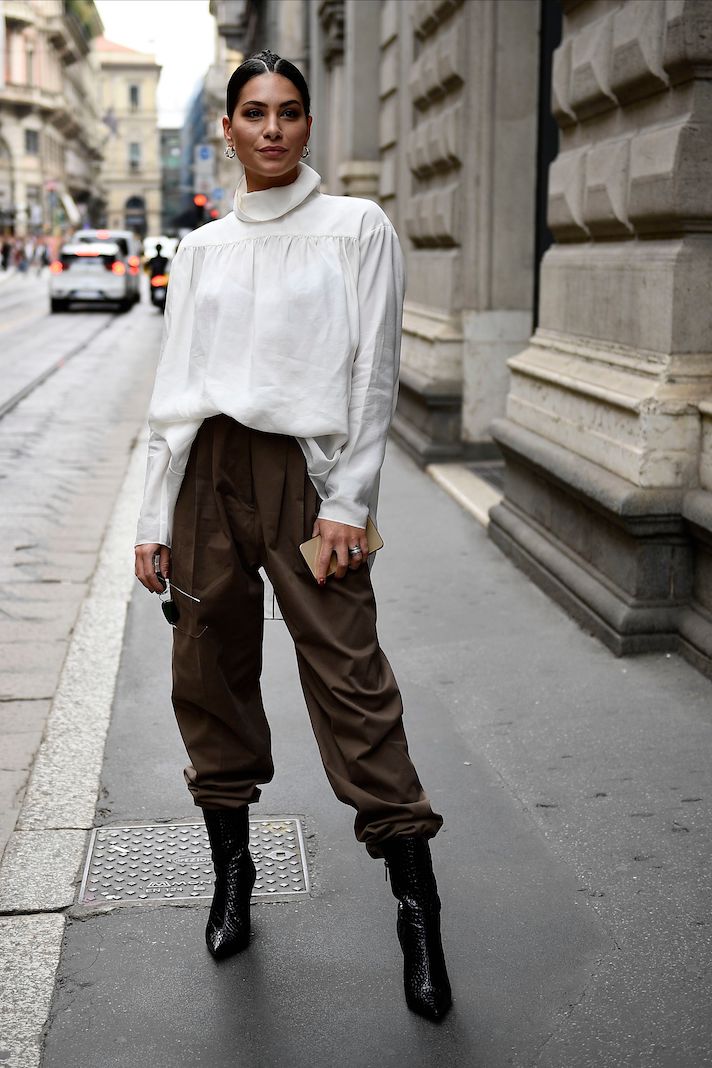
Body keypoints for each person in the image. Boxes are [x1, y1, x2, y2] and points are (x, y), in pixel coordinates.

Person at [134, 49, 452, 1021]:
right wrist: (154, 518)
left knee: (350, 677)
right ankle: (234, 879)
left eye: (289, 113)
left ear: (309, 126)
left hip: (306, 485)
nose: (271, 129)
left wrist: (350, 501)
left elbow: (372, 374)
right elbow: (173, 394)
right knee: (209, 673)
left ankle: (418, 915)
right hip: (205, 483)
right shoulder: (202, 249)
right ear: (226, 128)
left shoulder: (356, 228)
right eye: (253, 113)